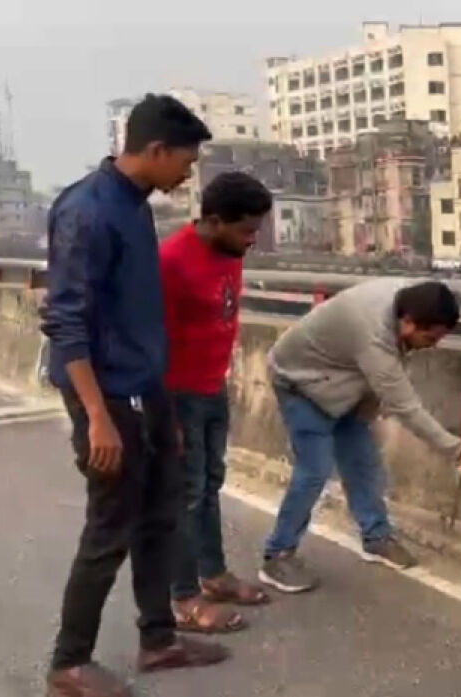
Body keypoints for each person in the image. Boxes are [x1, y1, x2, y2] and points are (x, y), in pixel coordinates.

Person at [40, 94, 227, 697]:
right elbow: (66, 321)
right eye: (185, 163)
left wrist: (163, 408)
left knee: (160, 517)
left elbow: (141, 316)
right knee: (110, 527)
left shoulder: (137, 207)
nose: (187, 175)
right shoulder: (86, 211)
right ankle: (69, 662)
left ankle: (159, 641)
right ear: (156, 150)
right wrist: (97, 417)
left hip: (149, 389)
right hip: (106, 397)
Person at [258, 279, 461, 593]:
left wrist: (363, 413)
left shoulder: (408, 301)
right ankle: (278, 555)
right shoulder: (373, 335)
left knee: (364, 463)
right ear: (407, 322)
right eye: (431, 336)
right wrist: (458, 451)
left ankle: (376, 538)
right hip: (299, 382)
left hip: (344, 384)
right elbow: (405, 406)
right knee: (314, 470)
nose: (434, 344)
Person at [159, 172, 272, 634]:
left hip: (212, 387)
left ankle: (213, 573)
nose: (252, 241)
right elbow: (153, 342)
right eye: (245, 230)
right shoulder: (170, 262)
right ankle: (182, 598)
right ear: (213, 220)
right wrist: (165, 414)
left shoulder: (230, 252)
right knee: (185, 495)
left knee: (209, 484)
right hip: (178, 394)